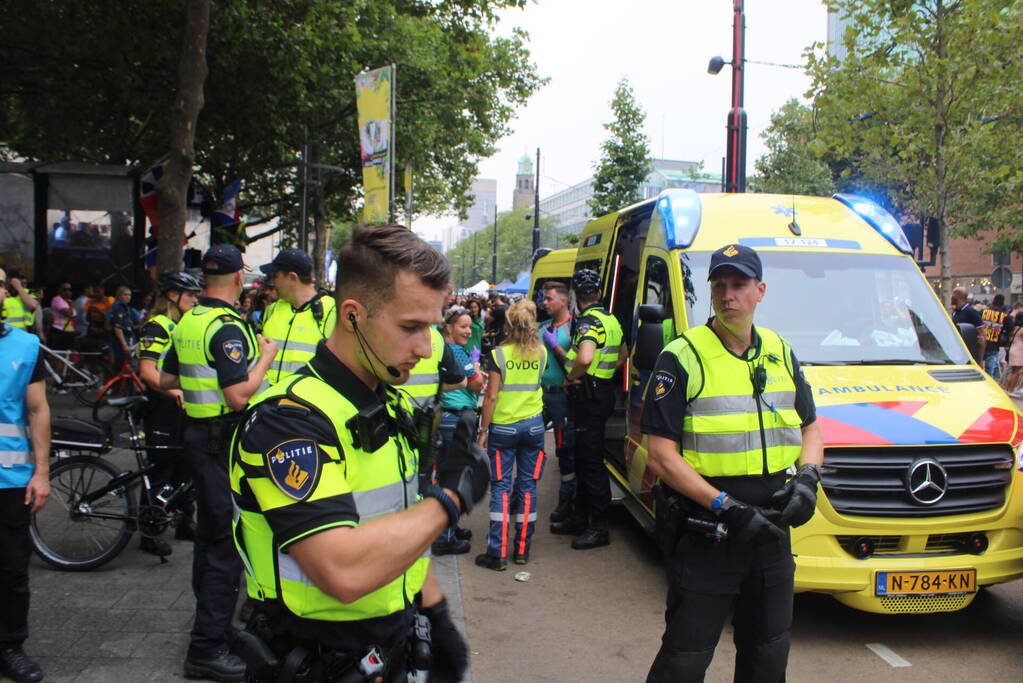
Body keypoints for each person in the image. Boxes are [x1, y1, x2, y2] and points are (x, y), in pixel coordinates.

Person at [229, 224, 489, 682]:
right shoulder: (288, 422)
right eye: (410, 326)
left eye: (431, 326)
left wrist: (435, 613)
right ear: (352, 314)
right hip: (314, 658)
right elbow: (342, 570)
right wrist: (449, 501)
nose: (425, 347)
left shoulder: (388, 403)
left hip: (389, 645)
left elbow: (397, 522)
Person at [641, 244, 823, 682]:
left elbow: (811, 428)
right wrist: (726, 505)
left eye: (739, 285)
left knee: (767, 656)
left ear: (760, 290)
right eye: (719, 286)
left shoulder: (780, 350)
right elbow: (661, 454)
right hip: (710, 535)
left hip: (772, 534)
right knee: (684, 660)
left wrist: (808, 479)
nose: (728, 295)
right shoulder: (682, 355)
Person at [159, 244, 278, 682]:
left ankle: (213, 630)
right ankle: (206, 647)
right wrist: (265, 355)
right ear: (236, 278)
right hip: (220, 444)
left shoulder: (190, 320)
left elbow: (167, 376)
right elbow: (238, 395)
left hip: (196, 435)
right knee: (226, 546)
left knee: (210, 540)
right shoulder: (227, 328)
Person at [550, 269, 626, 550]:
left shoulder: (588, 322)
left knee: (591, 462)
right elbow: (624, 354)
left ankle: (599, 527)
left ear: (574, 297)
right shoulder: (611, 319)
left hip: (588, 397)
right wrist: (603, 375)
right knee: (584, 458)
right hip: (600, 392)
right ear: (600, 293)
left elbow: (584, 356)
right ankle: (580, 519)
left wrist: (573, 377)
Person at [0, 266, 51, 683]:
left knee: (13, 569)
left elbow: (37, 410)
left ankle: (9, 646)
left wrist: (43, 473)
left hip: (10, 480)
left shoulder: (25, 346)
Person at [475, 299, 548, 570]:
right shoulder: (541, 352)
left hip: (504, 428)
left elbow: (491, 397)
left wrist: (483, 431)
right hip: (534, 426)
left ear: (509, 325)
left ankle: (497, 553)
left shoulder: (499, 355)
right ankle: (522, 550)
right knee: (528, 488)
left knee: (501, 488)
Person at [137, 271, 203, 556]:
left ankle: (184, 522)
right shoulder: (157, 326)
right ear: (172, 296)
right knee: (160, 468)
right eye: (189, 294)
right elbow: (147, 371)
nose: (195, 299)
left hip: (183, 407)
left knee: (186, 465)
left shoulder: (183, 325)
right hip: (162, 407)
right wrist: (172, 391)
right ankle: (149, 531)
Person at [433, 306, 485, 556]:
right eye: (462, 326)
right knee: (452, 479)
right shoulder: (456, 352)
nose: (467, 331)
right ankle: (445, 536)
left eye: (469, 326)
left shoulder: (444, 348)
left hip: (446, 418)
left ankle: (449, 527)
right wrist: (474, 364)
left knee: (445, 475)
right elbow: (476, 384)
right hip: (455, 421)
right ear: (449, 327)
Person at [257, 248, 338, 389]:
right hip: (266, 404)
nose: (272, 282)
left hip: (305, 405)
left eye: (275, 276)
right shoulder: (271, 310)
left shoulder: (332, 311)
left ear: (292, 278)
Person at [538, 281, 576, 523]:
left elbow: (576, 365)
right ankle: (521, 494)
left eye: (549, 298)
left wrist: (556, 347)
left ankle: (566, 500)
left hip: (563, 398)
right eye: (544, 298)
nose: (545, 303)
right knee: (530, 445)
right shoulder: (541, 327)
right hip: (539, 395)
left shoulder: (575, 328)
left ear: (563, 300)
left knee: (564, 450)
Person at [980, 293, 1013, 380]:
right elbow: (1011, 332)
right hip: (993, 346)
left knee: (979, 369)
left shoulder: (983, 312)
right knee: (989, 371)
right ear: (1003, 303)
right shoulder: (1005, 317)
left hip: (980, 344)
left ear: (993, 301)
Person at [108, 285, 139, 371]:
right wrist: (124, 344)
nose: (128, 297)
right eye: (125, 295)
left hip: (128, 338)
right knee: (121, 366)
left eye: (129, 295)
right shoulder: (118, 307)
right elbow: (117, 327)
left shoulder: (127, 308)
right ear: (119, 295)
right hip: (121, 341)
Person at [951, 286, 984, 363]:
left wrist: (980, 360)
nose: (951, 296)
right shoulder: (955, 312)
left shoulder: (971, 312)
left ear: (959, 296)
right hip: (957, 353)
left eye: (953, 294)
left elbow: (982, 334)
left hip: (968, 354)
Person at [48, 282, 77, 351]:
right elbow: (69, 314)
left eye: (69, 289)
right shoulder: (57, 299)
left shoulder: (68, 301)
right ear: (59, 290)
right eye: (65, 289)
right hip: (59, 331)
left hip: (68, 331)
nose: (68, 292)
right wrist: (72, 305)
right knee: (60, 355)